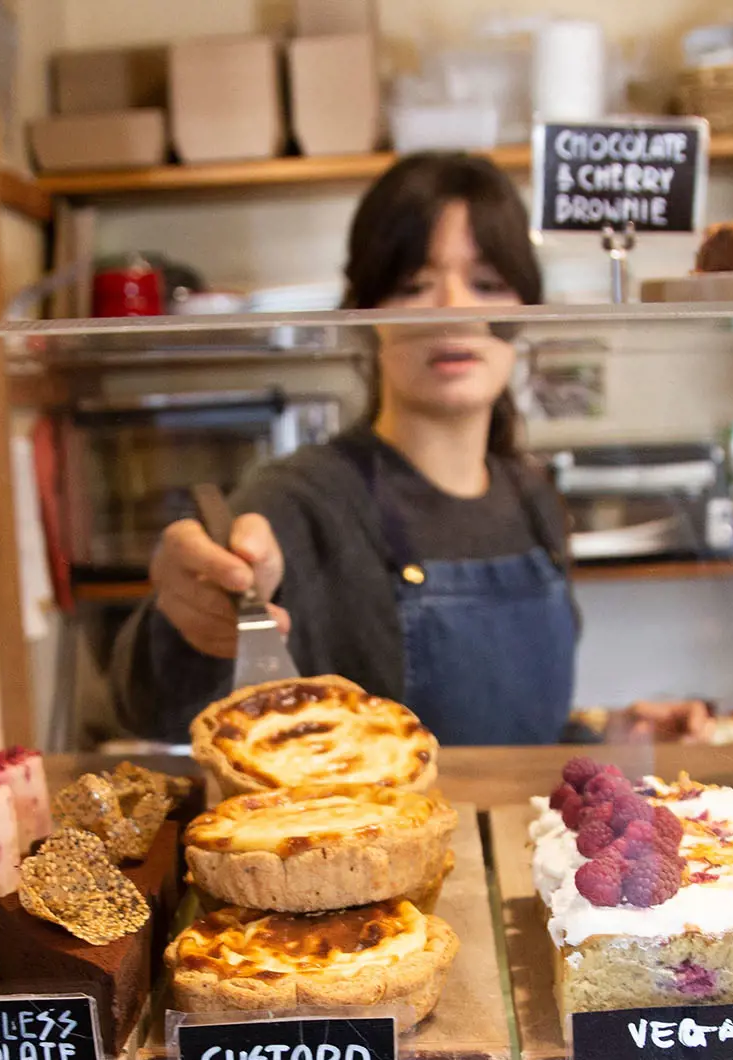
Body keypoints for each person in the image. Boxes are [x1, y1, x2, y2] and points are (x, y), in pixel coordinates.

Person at [110, 152, 577, 746]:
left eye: (488, 284)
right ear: (365, 312)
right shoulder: (303, 501)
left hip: (524, 839)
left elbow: (530, 735)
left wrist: (616, 731)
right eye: (413, 285)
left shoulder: (534, 497)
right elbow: (148, 706)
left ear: (525, 312)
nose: (455, 308)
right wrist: (185, 622)